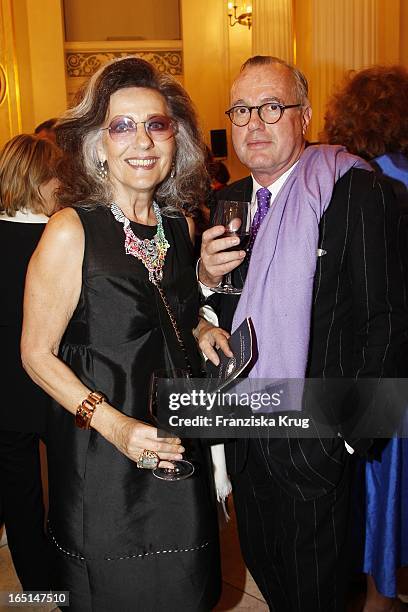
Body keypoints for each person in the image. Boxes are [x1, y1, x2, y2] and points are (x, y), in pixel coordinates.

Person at [197, 55, 408, 612]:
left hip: (317, 439)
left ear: (304, 115)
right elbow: (215, 314)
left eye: (271, 106)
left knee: (318, 593)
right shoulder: (227, 202)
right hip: (246, 432)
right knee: (269, 574)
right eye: (241, 110)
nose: (254, 124)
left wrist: (353, 437)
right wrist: (203, 277)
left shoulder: (358, 193)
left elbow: (388, 319)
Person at [21, 57, 221, 611]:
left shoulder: (179, 225)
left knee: (184, 588)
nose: (143, 141)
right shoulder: (70, 230)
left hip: (176, 445)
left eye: (156, 124)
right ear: (96, 144)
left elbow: (170, 310)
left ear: (175, 139)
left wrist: (200, 327)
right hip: (103, 459)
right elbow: (35, 355)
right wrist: (114, 426)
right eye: (122, 125)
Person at [322, 64, 408, 612]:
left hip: (366, 343)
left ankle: (370, 586)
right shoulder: (394, 175)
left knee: (373, 467)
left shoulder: (343, 176)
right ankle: (384, 586)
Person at [0, 134, 61, 590]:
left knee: (20, 495)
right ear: (41, 181)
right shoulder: (59, 240)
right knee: (68, 488)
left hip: (4, 393)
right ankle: (71, 577)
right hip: (55, 384)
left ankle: (38, 584)